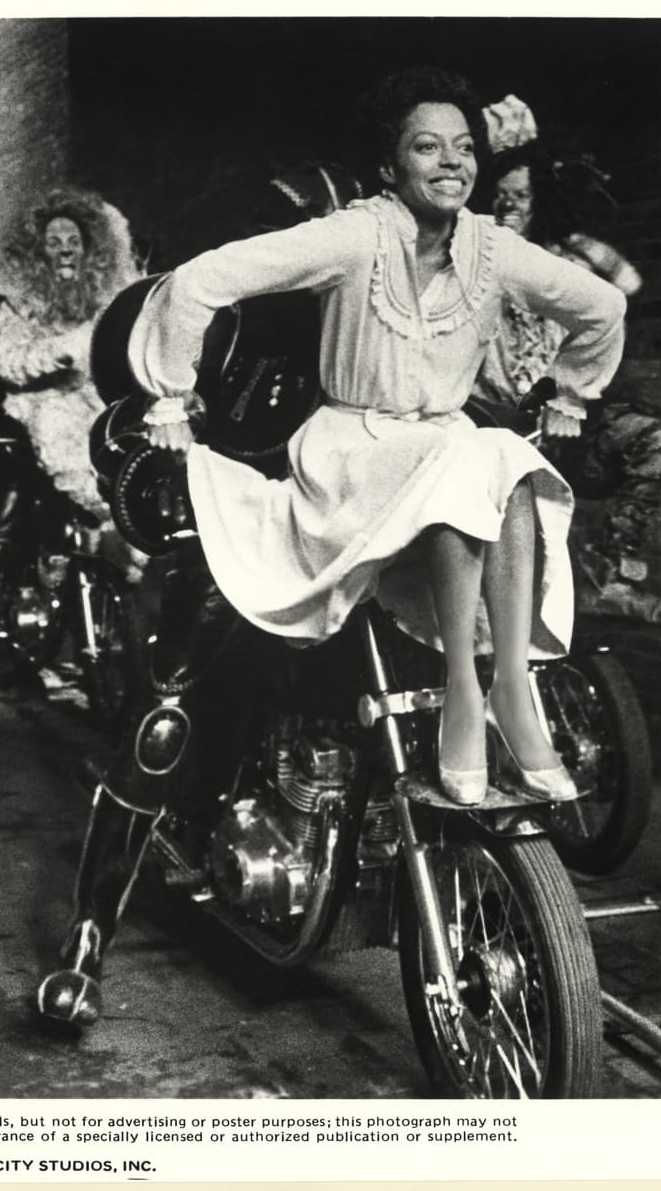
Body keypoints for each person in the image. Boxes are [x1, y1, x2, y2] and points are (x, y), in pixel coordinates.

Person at [34, 66, 627, 1029]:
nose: (453, 163)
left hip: (433, 460)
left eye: (464, 146)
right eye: (428, 146)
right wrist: (173, 403)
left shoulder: (489, 247)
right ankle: (86, 939)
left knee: (502, 454)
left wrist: (565, 398)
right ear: (387, 166)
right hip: (343, 460)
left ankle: (498, 690)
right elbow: (200, 283)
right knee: (169, 706)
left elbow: (601, 309)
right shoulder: (353, 235)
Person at [0, 188, 141, 703]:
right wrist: (61, 354)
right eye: (54, 241)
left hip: (99, 412)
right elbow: (6, 362)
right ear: (38, 251)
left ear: (91, 248)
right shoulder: (20, 304)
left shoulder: (110, 298)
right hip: (30, 423)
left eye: (74, 239)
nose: (65, 248)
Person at [472, 136, 661, 623]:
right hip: (496, 428)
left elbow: (627, 283)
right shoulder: (473, 260)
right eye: (499, 194)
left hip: (566, 427)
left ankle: (611, 578)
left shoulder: (564, 259)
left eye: (520, 195)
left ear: (539, 201)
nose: (507, 204)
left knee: (656, 437)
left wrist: (573, 251)